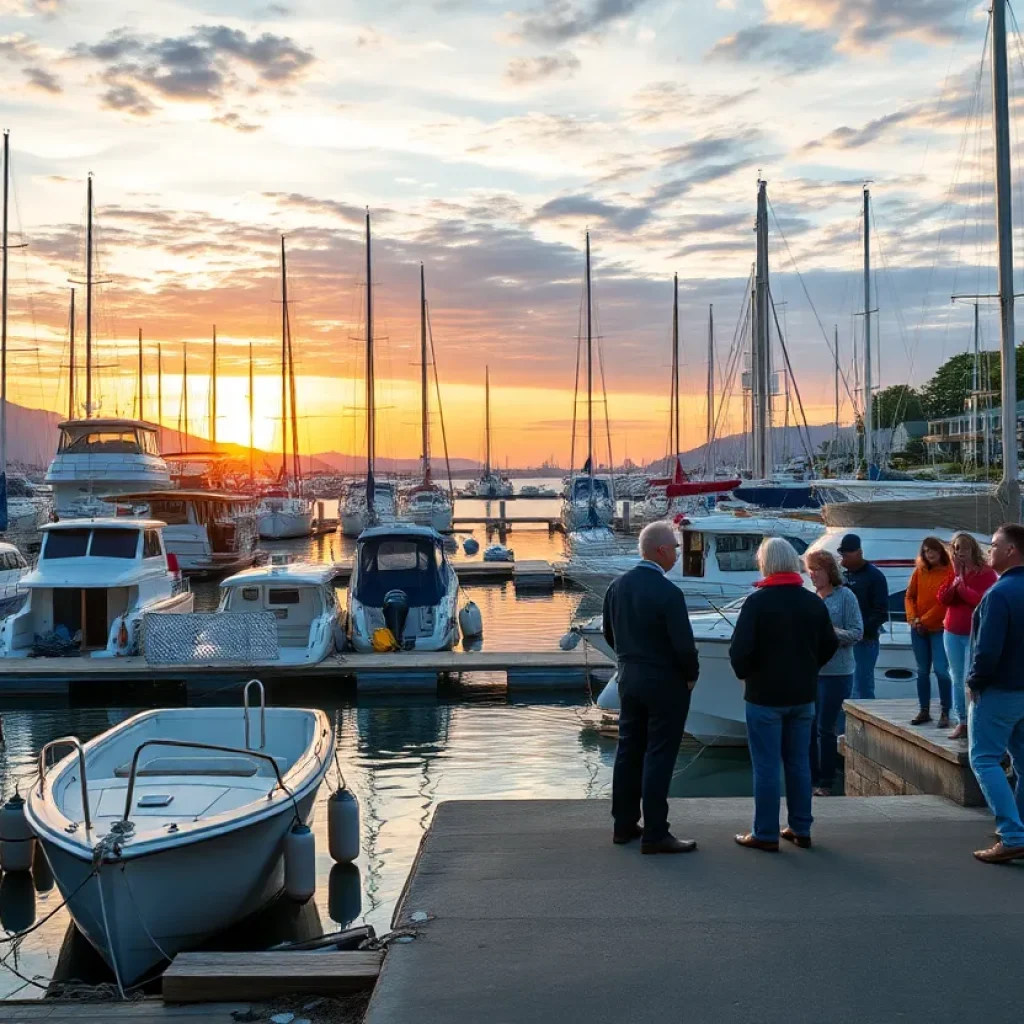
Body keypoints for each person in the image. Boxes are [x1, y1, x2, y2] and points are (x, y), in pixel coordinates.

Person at [729, 538, 838, 851]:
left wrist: (748, 674)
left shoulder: (757, 603)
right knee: (799, 763)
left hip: (764, 696)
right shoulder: (812, 602)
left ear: (766, 564)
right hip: (803, 695)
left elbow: (739, 653)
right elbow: (829, 644)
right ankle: (801, 827)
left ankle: (765, 832)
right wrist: (808, 667)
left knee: (766, 766)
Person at [602, 520, 700, 855]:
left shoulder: (617, 587)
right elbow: (684, 646)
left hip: (629, 678)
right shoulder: (669, 592)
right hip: (665, 682)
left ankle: (623, 823)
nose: (676, 553)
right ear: (661, 550)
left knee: (629, 751)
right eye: (674, 547)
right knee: (659, 754)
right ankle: (656, 832)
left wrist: (628, 661)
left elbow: (609, 633)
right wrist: (691, 675)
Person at [966, 523, 1024, 864]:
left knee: (984, 758)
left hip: (1000, 690)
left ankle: (1013, 834)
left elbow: (987, 650)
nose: (990, 550)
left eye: (995, 545)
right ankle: (1019, 827)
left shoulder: (999, 594)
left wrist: (975, 683)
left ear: (1012, 550)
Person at [805, 549, 863, 797]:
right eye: (810, 569)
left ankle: (826, 781)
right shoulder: (810, 599)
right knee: (807, 725)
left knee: (825, 727)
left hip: (837, 672)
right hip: (811, 672)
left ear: (829, 571)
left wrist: (830, 633)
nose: (813, 574)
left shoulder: (845, 597)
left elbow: (857, 632)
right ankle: (809, 778)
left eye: (817, 569)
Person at [938, 532, 997, 740]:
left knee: (969, 678)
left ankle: (976, 721)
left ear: (972, 548)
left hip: (974, 632)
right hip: (952, 630)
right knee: (955, 676)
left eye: (962, 547)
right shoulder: (953, 572)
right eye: (955, 548)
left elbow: (978, 600)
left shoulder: (986, 573)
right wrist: (956, 576)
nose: (959, 552)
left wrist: (960, 581)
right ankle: (961, 721)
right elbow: (944, 598)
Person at [905, 536, 954, 728]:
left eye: (933, 550)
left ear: (941, 551)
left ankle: (945, 711)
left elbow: (943, 604)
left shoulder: (950, 572)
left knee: (942, 671)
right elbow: (909, 596)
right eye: (926, 551)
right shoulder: (919, 571)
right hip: (918, 629)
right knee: (922, 671)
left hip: (939, 629)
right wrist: (913, 619)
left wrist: (922, 621)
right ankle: (924, 710)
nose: (930, 554)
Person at [837, 533, 889, 700]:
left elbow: (881, 611)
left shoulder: (874, 576)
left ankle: (866, 722)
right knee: (847, 687)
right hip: (845, 639)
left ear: (859, 552)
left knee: (862, 686)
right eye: (842, 554)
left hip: (865, 640)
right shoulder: (844, 576)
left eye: (847, 554)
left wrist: (861, 631)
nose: (844, 557)